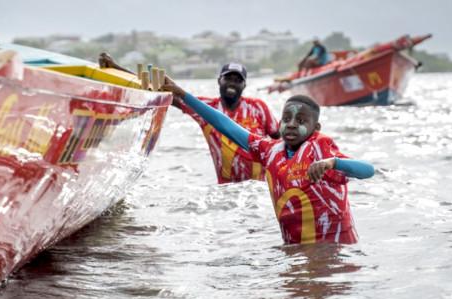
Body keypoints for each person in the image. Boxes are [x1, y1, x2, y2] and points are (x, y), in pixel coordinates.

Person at [162, 77, 374, 245]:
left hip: (334, 251)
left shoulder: (321, 147)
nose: (291, 125)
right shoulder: (269, 150)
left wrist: (333, 163)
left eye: (300, 121)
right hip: (296, 252)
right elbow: (224, 124)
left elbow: (368, 170)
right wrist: (183, 94)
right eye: (287, 119)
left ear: (315, 129)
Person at [99, 53, 279, 184]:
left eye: (237, 80)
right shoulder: (206, 109)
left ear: (244, 85)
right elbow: (163, 90)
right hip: (228, 190)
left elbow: (279, 141)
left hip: (260, 187)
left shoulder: (259, 107)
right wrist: (116, 67)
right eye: (228, 79)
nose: (232, 83)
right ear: (219, 81)